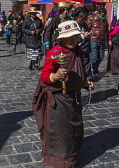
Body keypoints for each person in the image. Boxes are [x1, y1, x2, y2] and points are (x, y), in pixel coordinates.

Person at [33, 20, 94, 168]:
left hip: (74, 97)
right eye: (69, 38)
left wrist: (86, 81)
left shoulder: (77, 50)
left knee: (74, 131)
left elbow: (81, 71)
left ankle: (72, 157)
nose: (73, 40)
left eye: (75, 37)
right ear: (61, 39)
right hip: (59, 99)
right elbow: (44, 77)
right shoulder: (53, 53)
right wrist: (55, 76)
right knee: (61, 133)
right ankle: (59, 162)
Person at [86, 8, 109, 78]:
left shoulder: (104, 20)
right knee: (94, 56)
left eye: (104, 15)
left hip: (102, 40)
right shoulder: (92, 18)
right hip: (93, 40)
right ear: (98, 13)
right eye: (101, 15)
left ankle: (95, 67)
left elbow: (106, 30)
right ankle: (95, 70)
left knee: (101, 56)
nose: (102, 16)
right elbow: (87, 28)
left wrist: (107, 40)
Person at [73, 7, 92, 76]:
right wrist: (82, 36)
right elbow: (71, 39)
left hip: (85, 50)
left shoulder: (84, 25)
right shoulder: (72, 25)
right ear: (76, 16)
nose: (82, 20)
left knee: (86, 69)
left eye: (84, 18)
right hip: (76, 51)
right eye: (81, 17)